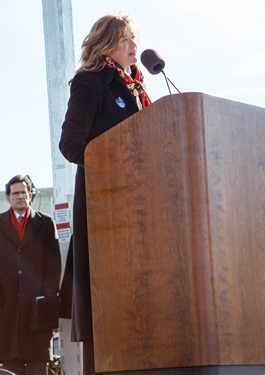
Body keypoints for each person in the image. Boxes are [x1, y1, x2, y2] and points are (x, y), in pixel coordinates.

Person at [59, 14, 152, 375]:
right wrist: (114, 170)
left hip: (144, 208)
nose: (134, 45)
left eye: (135, 38)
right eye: (126, 38)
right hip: (106, 210)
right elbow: (71, 144)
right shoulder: (90, 83)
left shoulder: (137, 89)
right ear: (106, 41)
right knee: (109, 314)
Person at [0, 175, 61, 375]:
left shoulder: (45, 224)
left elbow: (54, 265)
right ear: (8, 197)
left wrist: (50, 297)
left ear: (30, 195)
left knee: (38, 367)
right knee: (10, 368)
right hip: (7, 312)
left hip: (38, 310)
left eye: (23, 193)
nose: (20, 197)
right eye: (15, 193)